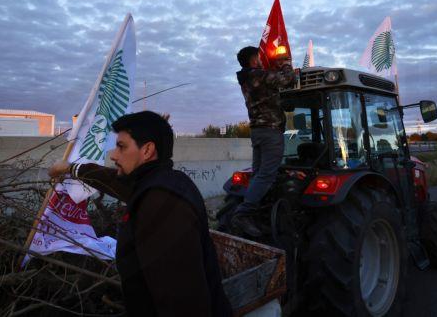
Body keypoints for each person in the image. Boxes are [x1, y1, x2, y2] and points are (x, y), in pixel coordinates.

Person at [48, 111, 232, 317]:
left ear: (147, 150)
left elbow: (183, 303)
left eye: (122, 146)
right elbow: (111, 180)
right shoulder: (159, 181)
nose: (113, 154)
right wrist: (71, 169)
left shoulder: (163, 204)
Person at [231, 46, 296, 237]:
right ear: (253, 60)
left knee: (258, 174)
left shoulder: (247, 79)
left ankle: (255, 215)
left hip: (257, 131)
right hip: (270, 131)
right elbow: (288, 80)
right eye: (258, 57)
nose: (261, 59)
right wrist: (285, 64)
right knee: (266, 175)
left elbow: (270, 88)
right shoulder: (259, 75)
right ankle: (243, 214)